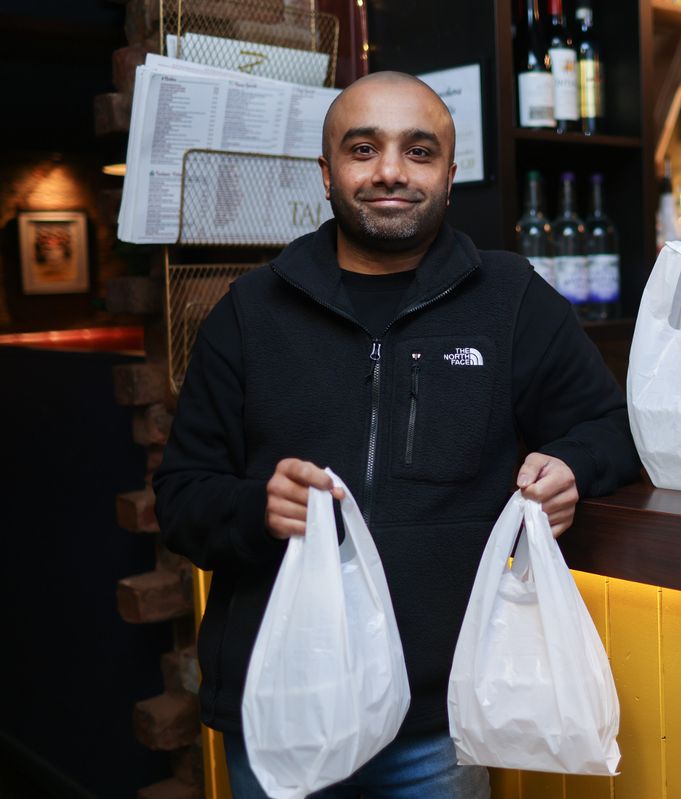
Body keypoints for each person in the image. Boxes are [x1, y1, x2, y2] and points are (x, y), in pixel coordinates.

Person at [154, 71, 641, 798]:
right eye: (363, 149)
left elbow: (615, 428)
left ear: (449, 173)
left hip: (437, 725)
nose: (390, 171)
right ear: (327, 174)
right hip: (286, 713)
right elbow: (181, 498)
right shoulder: (249, 313)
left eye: (418, 151)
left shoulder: (511, 299)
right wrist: (259, 508)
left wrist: (572, 464)